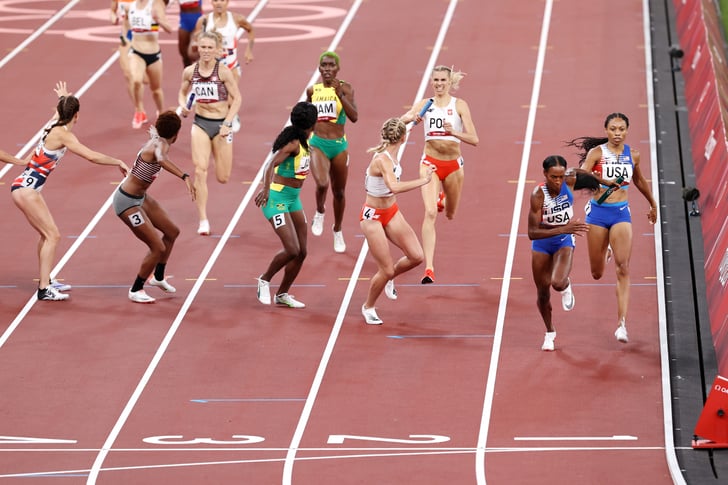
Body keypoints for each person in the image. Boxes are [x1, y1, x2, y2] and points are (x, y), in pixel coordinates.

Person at [11, 82, 129, 301]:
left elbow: (60, 109)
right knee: (53, 235)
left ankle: (46, 279)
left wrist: (65, 97)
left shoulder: (53, 123)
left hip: (25, 187)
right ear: (77, 116)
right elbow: (91, 156)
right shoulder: (63, 135)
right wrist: (118, 161)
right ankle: (44, 289)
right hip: (27, 190)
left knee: (46, 235)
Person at [565, 112, 658, 343]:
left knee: (623, 268)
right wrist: (598, 178)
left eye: (621, 129)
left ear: (627, 130)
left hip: (620, 214)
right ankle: (605, 252)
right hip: (597, 214)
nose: (617, 133)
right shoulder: (597, 153)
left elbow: (639, 180)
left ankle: (621, 324)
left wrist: (653, 203)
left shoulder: (633, 155)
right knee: (596, 273)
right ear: (606, 130)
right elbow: (579, 173)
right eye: (613, 129)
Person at [401, 65, 478, 284]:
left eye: (443, 80)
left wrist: (453, 131)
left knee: (451, 213)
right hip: (430, 164)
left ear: (449, 81)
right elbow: (403, 119)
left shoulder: (459, 105)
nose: (439, 84)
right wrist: (408, 119)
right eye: (435, 80)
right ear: (432, 81)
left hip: (453, 166)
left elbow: (474, 139)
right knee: (430, 212)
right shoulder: (425, 105)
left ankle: (443, 199)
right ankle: (429, 268)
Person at [113, 111, 195, 303]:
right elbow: (161, 158)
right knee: (157, 246)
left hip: (140, 198)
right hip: (126, 202)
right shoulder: (158, 146)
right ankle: (136, 289)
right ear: (177, 134)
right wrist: (184, 176)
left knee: (172, 232)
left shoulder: (159, 140)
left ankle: (158, 277)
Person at [360, 118, 434, 325]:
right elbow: (394, 187)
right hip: (372, 216)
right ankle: (368, 307)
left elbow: (401, 125)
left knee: (417, 256)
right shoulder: (382, 160)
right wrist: (424, 180)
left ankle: (389, 278)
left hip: (391, 211)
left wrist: (407, 124)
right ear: (403, 138)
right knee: (386, 269)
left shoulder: (392, 152)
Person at [528, 155, 605, 351]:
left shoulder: (569, 179)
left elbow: (579, 171)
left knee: (558, 282)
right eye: (553, 177)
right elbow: (532, 232)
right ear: (545, 174)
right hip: (543, 242)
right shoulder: (538, 195)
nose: (558, 181)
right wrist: (563, 228)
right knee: (543, 293)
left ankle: (566, 286)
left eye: (561, 176)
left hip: (564, 240)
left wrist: (602, 181)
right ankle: (549, 332)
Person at [254, 102, 318, 309]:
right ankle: (264, 279)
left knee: (302, 252)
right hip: (276, 199)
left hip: (293, 199)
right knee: (292, 249)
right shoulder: (293, 144)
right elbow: (270, 164)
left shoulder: (305, 142)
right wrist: (265, 189)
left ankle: (282, 294)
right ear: (313, 123)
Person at [177, 30, 241, 236]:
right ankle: (203, 219)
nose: (205, 51)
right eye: (202, 47)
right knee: (200, 170)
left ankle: (217, 152)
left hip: (222, 126)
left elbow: (237, 99)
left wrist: (228, 123)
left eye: (209, 48)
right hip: (201, 123)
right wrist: (183, 106)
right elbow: (182, 92)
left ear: (217, 50)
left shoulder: (223, 72)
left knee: (223, 177)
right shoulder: (189, 71)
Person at [306, 51, 358, 253]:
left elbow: (354, 116)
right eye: (323, 65)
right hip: (318, 143)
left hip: (338, 145)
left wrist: (340, 95)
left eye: (330, 65)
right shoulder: (312, 91)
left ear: (337, 68)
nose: (327, 69)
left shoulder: (345, 88)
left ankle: (337, 229)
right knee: (321, 183)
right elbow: (308, 119)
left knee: (339, 192)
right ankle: (319, 211)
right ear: (319, 69)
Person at [189, 0, 255, 131]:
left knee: (231, 98)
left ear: (227, 2)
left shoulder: (237, 19)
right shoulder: (203, 21)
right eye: (215, 0)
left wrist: (249, 50)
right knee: (216, 100)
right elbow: (195, 43)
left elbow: (250, 30)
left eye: (222, 0)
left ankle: (232, 116)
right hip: (211, 68)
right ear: (211, 3)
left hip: (231, 66)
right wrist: (196, 43)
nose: (218, 3)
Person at [124, 0, 173, 129]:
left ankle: (161, 111)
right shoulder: (130, 7)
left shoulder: (156, 5)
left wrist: (159, 20)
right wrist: (123, 38)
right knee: (136, 80)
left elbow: (170, 28)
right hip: (136, 52)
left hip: (154, 54)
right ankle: (139, 111)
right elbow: (125, 24)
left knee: (156, 90)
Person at [176, 0, 204, 67]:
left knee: (193, 53)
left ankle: (200, 71)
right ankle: (187, 74)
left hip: (197, 20)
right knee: (183, 52)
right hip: (184, 21)